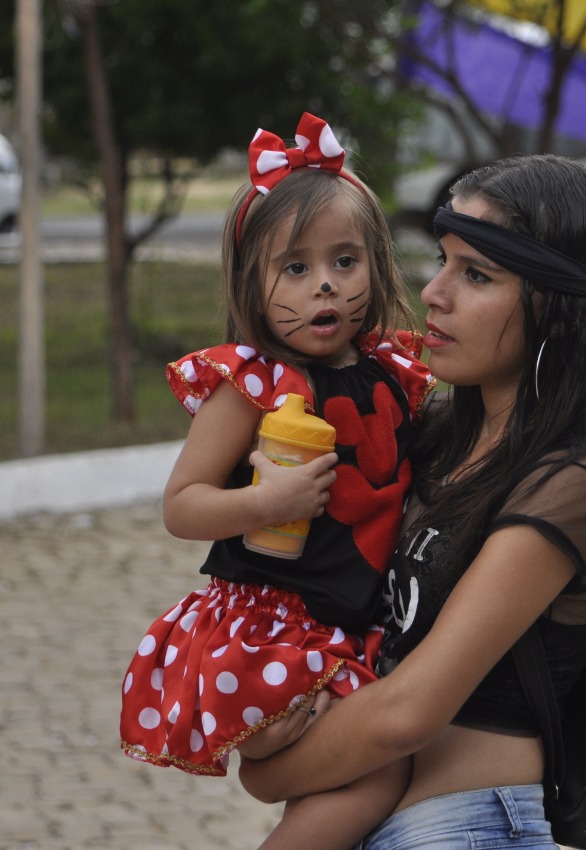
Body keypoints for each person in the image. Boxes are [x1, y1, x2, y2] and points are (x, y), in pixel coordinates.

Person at [239, 153, 586, 849]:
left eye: (476, 275)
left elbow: (410, 710)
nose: (434, 292)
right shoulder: (433, 435)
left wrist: (267, 770)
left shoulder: (572, 486)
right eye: (442, 260)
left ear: (559, 311)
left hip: (464, 828)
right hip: (362, 817)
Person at [118, 112, 435, 850]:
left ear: (378, 264)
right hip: (274, 632)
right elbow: (181, 505)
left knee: (359, 780)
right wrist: (267, 501)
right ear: (253, 287)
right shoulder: (254, 385)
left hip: (356, 621)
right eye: (295, 268)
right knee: (376, 777)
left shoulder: (394, 371)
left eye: (344, 262)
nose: (324, 285)